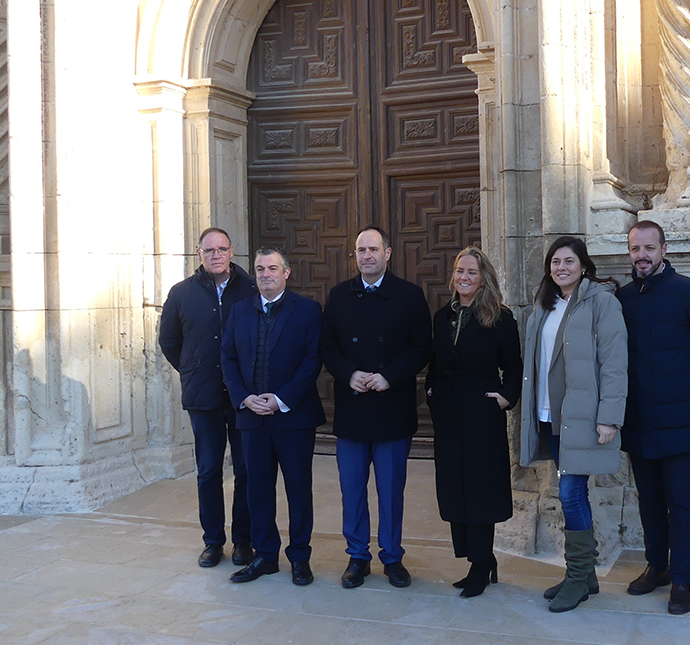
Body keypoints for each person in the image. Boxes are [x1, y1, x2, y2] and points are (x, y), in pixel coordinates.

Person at [616, 220, 690, 615]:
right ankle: (656, 567)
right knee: (649, 500)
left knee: (679, 501)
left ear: (664, 248)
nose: (641, 256)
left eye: (648, 248)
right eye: (634, 249)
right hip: (637, 420)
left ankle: (682, 580)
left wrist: (687, 387)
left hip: (679, 420)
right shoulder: (624, 298)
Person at [519, 236, 628, 613]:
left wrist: (610, 418)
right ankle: (587, 576)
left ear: (583, 265)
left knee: (569, 494)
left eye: (568, 261)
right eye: (555, 262)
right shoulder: (543, 305)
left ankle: (577, 577)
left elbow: (614, 363)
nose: (561, 267)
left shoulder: (601, 302)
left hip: (582, 417)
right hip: (550, 415)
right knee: (572, 494)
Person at [321, 226, 431, 589]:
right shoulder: (338, 296)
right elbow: (328, 346)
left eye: (373, 249)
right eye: (360, 250)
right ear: (354, 255)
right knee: (351, 490)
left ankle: (393, 557)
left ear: (388, 253)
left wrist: (389, 377)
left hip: (391, 408)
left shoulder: (410, 296)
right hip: (352, 409)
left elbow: (420, 348)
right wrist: (348, 373)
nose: (367, 255)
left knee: (390, 490)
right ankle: (357, 556)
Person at [219, 246, 325, 584]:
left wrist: (280, 399)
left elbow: (312, 361)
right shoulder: (238, 311)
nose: (266, 274)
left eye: (272, 268)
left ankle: (299, 557)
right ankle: (265, 555)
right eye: (260, 269)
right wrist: (244, 398)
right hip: (251, 418)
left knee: (298, 489)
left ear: (286, 272)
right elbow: (228, 359)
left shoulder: (307, 310)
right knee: (256, 489)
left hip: (293, 418)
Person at [426, 247, 523, 598]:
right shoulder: (443, 316)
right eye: (459, 271)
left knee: (480, 488)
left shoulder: (500, 317)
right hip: (449, 414)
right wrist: (432, 394)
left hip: (482, 413)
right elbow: (435, 363)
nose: (463, 278)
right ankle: (473, 557)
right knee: (455, 486)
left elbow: (513, 365)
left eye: (471, 272)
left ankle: (482, 563)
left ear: (484, 278)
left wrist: (505, 396)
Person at [158, 227, 258, 569]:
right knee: (208, 470)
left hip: (242, 396)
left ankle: (244, 540)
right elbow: (170, 341)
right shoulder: (181, 293)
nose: (216, 255)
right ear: (198, 254)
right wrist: (192, 370)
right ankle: (213, 541)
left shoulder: (250, 289)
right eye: (208, 250)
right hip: (203, 396)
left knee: (246, 470)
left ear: (232, 252)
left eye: (222, 249)